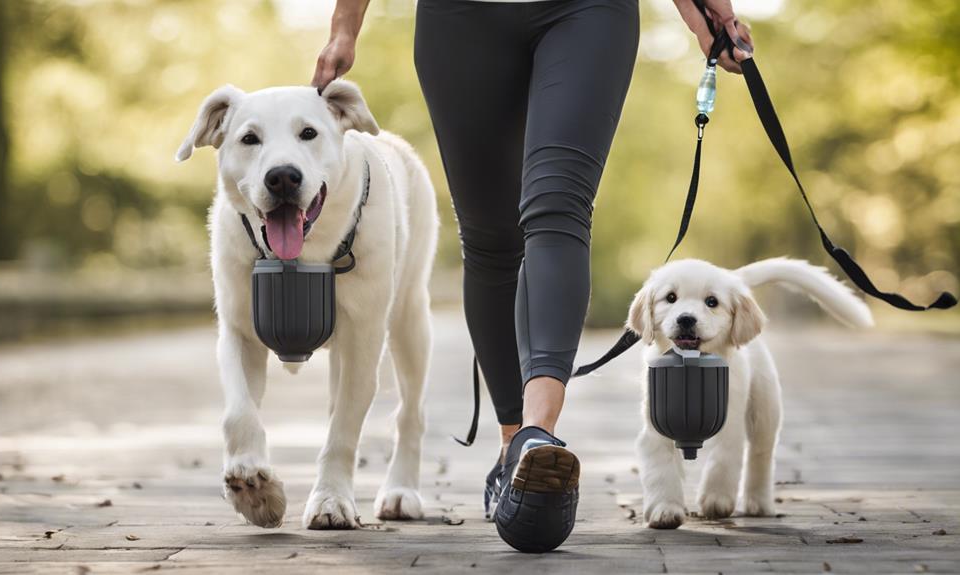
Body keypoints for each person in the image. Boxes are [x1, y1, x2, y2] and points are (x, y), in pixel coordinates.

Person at [314, 0, 753, 553]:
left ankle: (538, 431)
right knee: (490, 238)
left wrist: (701, 14)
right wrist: (344, 27)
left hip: (589, 12)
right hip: (460, 20)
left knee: (557, 203)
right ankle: (512, 448)